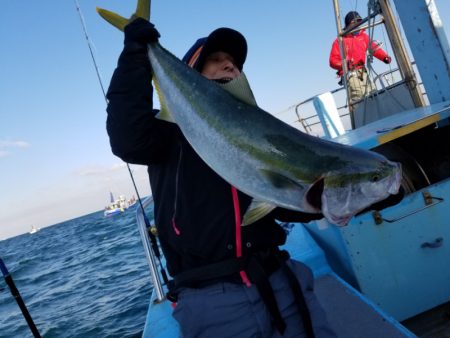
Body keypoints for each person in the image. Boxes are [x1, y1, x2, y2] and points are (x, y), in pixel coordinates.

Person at [106, 18, 336, 338]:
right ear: (190, 73)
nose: (228, 64)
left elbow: (284, 203)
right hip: (212, 301)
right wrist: (134, 58)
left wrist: (351, 197)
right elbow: (126, 137)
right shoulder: (167, 133)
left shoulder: (259, 134)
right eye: (214, 59)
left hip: (280, 280)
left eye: (233, 62)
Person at [329, 11, 392, 103]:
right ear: (348, 24)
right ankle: (361, 114)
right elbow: (332, 61)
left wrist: (384, 57)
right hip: (350, 75)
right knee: (359, 97)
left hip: (363, 72)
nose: (358, 23)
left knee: (373, 94)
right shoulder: (340, 40)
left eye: (359, 21)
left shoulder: (363, 36)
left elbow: (373, 48)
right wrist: (345, 64)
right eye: (354, 22)